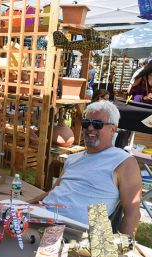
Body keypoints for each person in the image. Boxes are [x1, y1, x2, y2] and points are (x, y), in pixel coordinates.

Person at [28, 100, 141, 236]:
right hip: (42, 217)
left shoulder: (123, 161)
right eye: (86, 123)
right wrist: (26, 204)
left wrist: (123, 251)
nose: (90, 128)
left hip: (75, 233)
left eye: (97, 124)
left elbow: (132, 214)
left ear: (113, 129)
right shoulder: (73, 158)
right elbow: (54, 191)